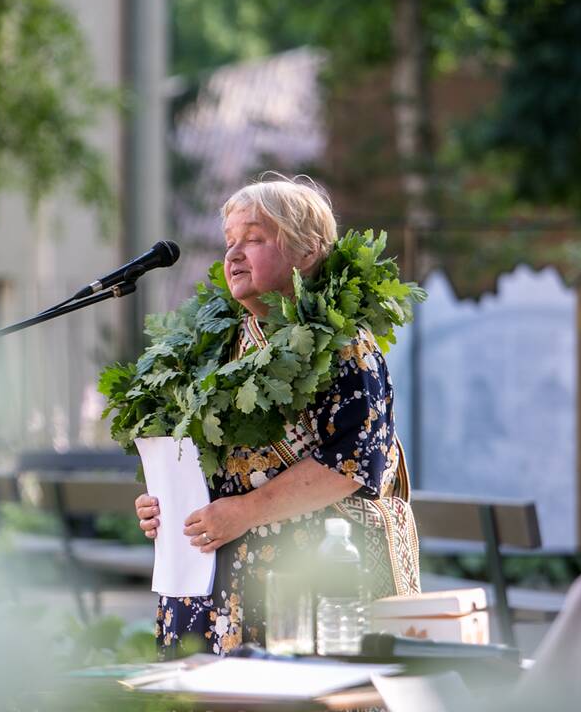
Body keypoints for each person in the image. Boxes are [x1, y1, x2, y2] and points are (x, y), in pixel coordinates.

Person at [136, 175, 419, 658]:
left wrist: (243, 511)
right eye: (230, 242)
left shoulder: (346, 347)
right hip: (211, 584)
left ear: (307, 252)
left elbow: (353, 464)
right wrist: (166, 502)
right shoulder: (213, 348)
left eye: (255, 238)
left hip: (311, 585)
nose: (233, 255)